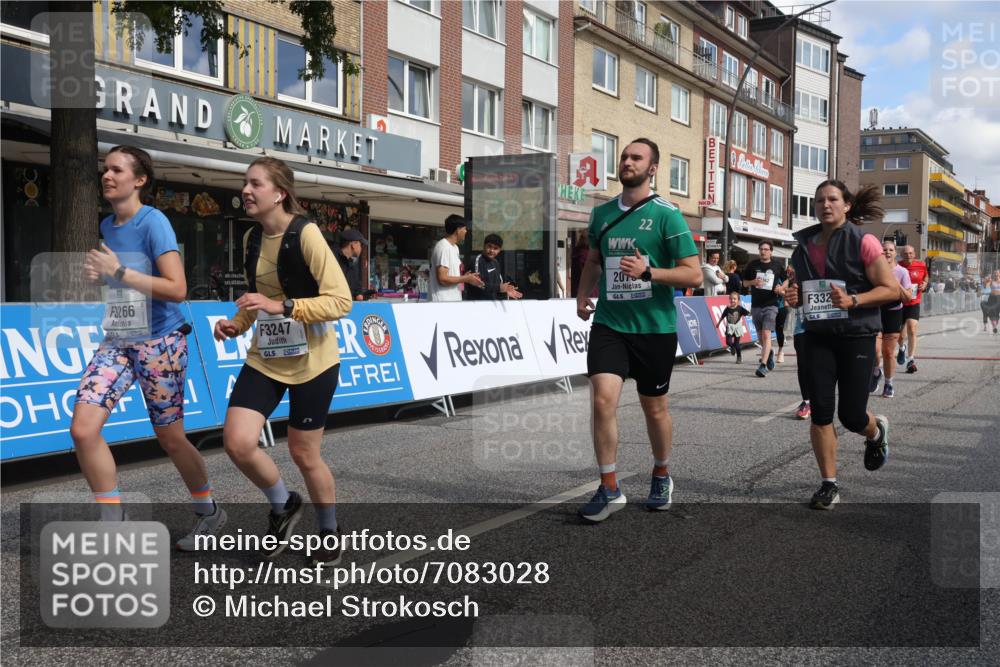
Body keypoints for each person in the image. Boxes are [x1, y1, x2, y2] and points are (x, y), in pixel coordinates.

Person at [73, 145, 225, 548]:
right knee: (83, 429)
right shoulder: (108, 225)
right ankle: (113, 519)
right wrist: (103, 277)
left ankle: (209, 512)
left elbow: (177, 288)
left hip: (161, 341)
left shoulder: (153, 221)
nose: (107, 176)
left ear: (139, 180)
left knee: (170, 438)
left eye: (117, 170)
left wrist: (118, 271)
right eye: (105, 169)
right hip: (119, 339)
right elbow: (124, 280)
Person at [213, 157, 353, 567]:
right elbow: (258, 299)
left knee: (303, 454)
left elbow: (340, 301)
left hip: (314, 361)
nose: (246, 190)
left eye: (255, 183)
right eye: (245, 182)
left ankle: (329, 531)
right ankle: (283, 504)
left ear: (279, 193)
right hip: (267, 358)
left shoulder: (305, 233)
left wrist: (285, 306)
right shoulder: (252, 238)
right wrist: (237, 324)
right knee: (237, 442)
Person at [575, 138, 702, 522]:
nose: (627, 161)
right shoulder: (601, 214)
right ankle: (609, 487)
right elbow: (594, 260)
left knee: (655, 408)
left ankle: (661, 473)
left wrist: (649, 272)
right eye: (624, 156)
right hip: (610, 324)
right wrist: (581, 294)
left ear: (653, 168)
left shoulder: (667, 215)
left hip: (654, 328)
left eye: (636, 157)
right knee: (602, 400)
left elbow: (693, 274)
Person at [785, 181, 899, 510]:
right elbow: (802, 291)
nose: (825, 205)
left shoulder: (863, 241)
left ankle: (876, 432)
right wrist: (794, 296)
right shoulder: (802, 247)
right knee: (821, 412)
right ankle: (829, 484)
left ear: (846, 205)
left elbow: (891, 289)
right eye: (820, 200)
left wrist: (854, 300)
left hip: (856, 336)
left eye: (833, 199)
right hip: (817, 336)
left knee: (850, 415)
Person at [870, 240, 913, 398]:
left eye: (890, 250)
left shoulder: (902, 272)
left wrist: (896, 284)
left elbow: (908, 297)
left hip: (893, 312)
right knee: (875, 350)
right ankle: (876, 371)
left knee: (888, 352)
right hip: (875, 312)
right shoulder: (873, 269)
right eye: (884, 249)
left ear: (895, 253)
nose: (887, 252)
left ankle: (889, 384)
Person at [742, 240, 787, 378]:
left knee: (766, 334)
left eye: (766, 249)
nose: (763, 251)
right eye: (761, 249)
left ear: (771, 251)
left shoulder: (777, 265)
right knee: (761, 336)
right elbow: (744, 283)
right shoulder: (752, 265)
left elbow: (787, 280)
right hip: (756, 305)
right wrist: (753, 282)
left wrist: (781, 288)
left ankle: (763, 365)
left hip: (771, 304)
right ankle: (770, 352)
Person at [428, 214, 484, 302]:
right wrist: (465, 278)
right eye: (464, 228)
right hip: (442, 302)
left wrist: (465, 277)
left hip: (453, 300)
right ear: (458, 230)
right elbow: (442, 279)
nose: (466, 231)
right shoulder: (444, 247)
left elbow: (452, 276)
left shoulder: (455, 247)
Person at [898, 245, 929, 373]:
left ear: (914, 254)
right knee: (899, 335)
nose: (908, 256)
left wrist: (925, 284)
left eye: (910, 253)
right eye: (905, 254)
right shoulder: (897, 266)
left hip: (914, 302)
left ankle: (911, 360)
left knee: (912, 329)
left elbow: (926, 277)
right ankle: (901, 348)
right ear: (901, 255)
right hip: (899, 303)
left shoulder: (921, 265)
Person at [466, 233, 523, 300]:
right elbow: (478, 284)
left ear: (499, 250)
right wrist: (499, 288)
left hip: (493, 303)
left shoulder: (495, 262)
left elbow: (497, 285)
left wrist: (505, 291)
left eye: (495, 248)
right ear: (484, 246)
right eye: (489, 246)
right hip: (477, 303)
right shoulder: (477, 261)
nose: (491, 250)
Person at [715, 291, 750, 363]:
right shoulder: (727, 308)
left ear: (738, 300)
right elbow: (722, 316)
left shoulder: (740, 308)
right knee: (728, 342)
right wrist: (718, 323)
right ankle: (732, 347)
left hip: (737, 328)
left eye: (734, 299)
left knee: (737, 344)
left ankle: (739, 357)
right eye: (731, 299)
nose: (732, 300)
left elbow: (747, 313)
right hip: (730, 328)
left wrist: (753, 314)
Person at [336, 228, 369, 301]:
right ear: (353, 245)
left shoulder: (352, 264)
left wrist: (359, 294)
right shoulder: (333, 259)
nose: (361, 248)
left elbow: (356, 287)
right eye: (360, 245)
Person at [986, 270, 1000, 334]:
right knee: (992, 313)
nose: (996, 275)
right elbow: (986, 286)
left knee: (997, 313)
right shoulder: (991, 281)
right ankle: (994, 326)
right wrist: (987, 281)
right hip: (992, 298)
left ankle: (995, 325)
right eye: (995, 274)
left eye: (997, 273)